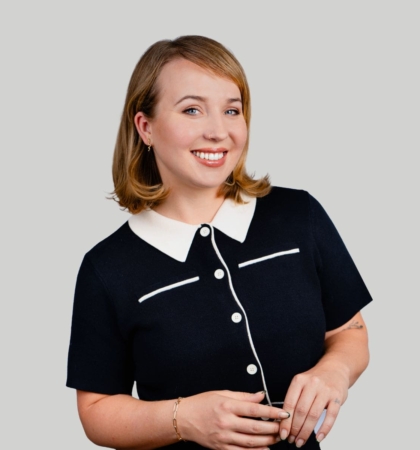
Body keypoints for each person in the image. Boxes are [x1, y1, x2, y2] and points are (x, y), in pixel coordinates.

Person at [67, 35, 372, 450]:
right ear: (146, 127)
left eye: (232, 110)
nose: (218, 132)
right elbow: (97, 411)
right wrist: (183, 419)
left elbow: (350, 333)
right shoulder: (107, 268)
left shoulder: (299, 216)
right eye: (192, 110)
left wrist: (334, 371)